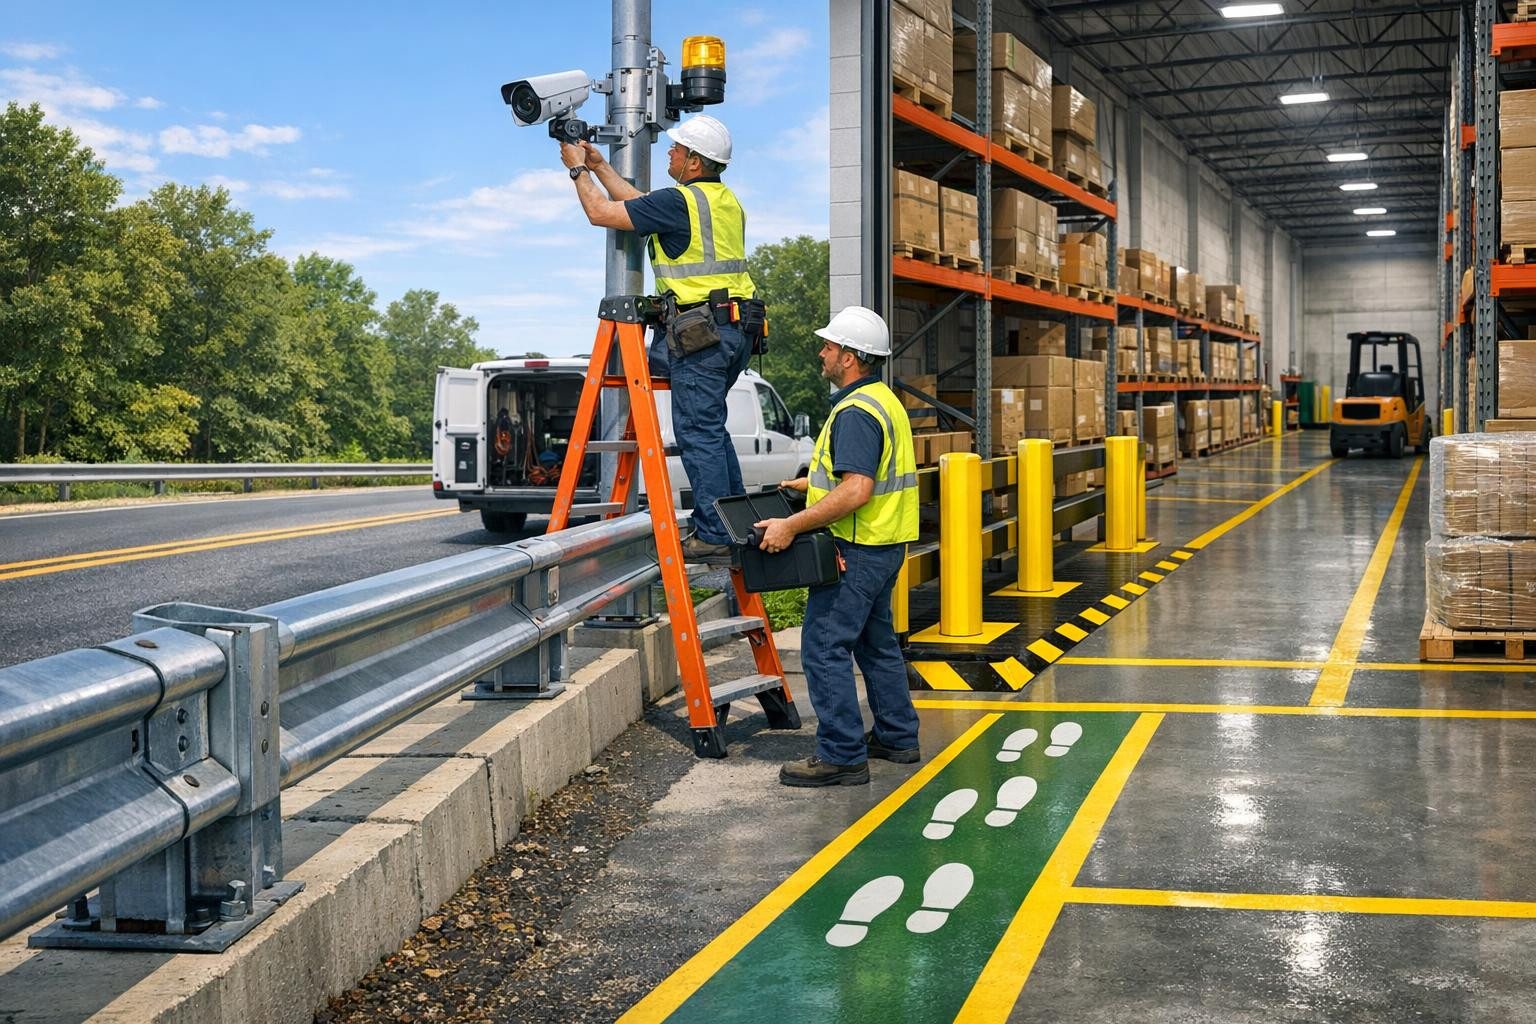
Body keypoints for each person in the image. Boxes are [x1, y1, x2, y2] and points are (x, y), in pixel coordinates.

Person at [559, 114, 760, 563]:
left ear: (692, 161)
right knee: (711, 428)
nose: (668, 152)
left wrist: (576, 169)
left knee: (697, 431)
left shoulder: (680, 202)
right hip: (737, 329)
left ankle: (713, 534)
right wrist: (600, 166)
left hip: (703, 333)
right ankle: (736, 525)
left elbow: (601, 213)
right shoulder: (721, 201)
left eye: (675, 148)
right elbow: (640, 204)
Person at [752, 306, 921, 787]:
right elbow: (855, 477)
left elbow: (857, 490)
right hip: (885, 545)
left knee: (824, 648)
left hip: (858, 549)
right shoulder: (882, 400)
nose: (822, 353)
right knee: (875, 643)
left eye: (828, 347)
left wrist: (792, 525)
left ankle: (842, 755)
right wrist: (810, 484)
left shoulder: (855, 412)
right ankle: (896, 736)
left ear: (849, 357)